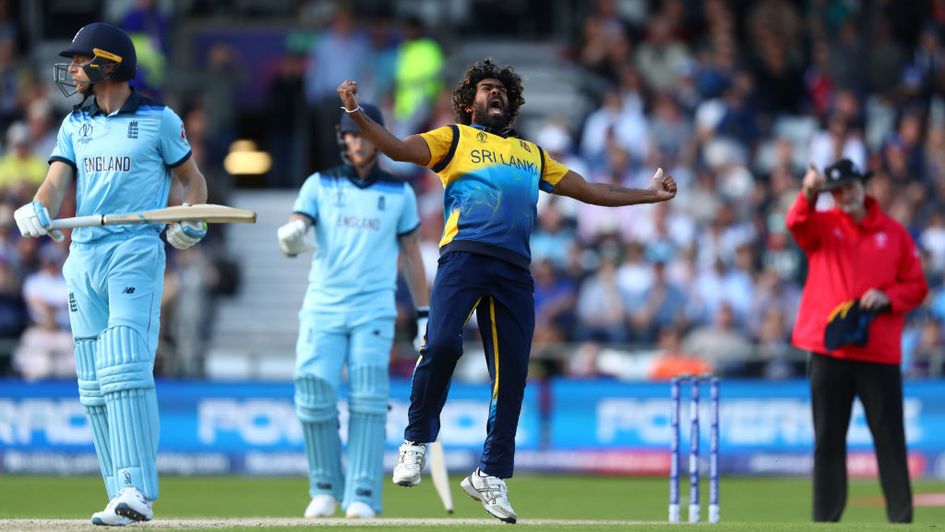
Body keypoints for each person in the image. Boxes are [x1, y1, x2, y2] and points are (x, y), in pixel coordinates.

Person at [336, 58, 677, 523]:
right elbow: (396, 148)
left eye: (501, 90)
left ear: (511, 103)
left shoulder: (532, 154)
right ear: (469, 102)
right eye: (485, 88)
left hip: (514, 270)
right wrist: (356, 113)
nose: (494, 93)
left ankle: (490, 475)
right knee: (439, 344)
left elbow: (589, 190)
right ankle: (415, 441)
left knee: (513, 373)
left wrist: (649, 195)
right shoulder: (452, 138)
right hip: (463, 256)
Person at [12, 22, 208, 526]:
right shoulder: (75, 125)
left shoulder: (160, 121)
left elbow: (192, 180)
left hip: (135, 248)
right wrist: (37, 208)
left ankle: (138, 490)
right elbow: (56, 182)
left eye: (79, 60)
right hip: (84, 254)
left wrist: (191, 218)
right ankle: (119, 493)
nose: (71, 69)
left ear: (107, 65)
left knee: (124, 365)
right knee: (94, 383)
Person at [276, 103, 428, 520]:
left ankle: (362, 492)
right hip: (323, 305)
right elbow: (299, 226)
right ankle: (325, 487)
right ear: (341, 137)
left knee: (368, 398)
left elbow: (412, 253)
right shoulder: (318, 184)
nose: (356, 141)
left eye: (364, 134)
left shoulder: (400, 192)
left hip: (373, 310)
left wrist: (423, 314)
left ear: (378, 138)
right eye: (350, 133)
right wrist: (292, 237)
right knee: (312, 390)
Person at [786, 159, 927, 523]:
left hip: (877, 352)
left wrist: (888, 297)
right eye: (836, 191)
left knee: (890, 439)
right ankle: (826, 520)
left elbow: (917, 287)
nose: (843, 196)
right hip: (829, 348)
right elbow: (796, 224)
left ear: (864, 187)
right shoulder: (823, 223)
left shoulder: (894, 233)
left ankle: (901, 519)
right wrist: (808, 193)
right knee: (828, 440)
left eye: (848, 187)